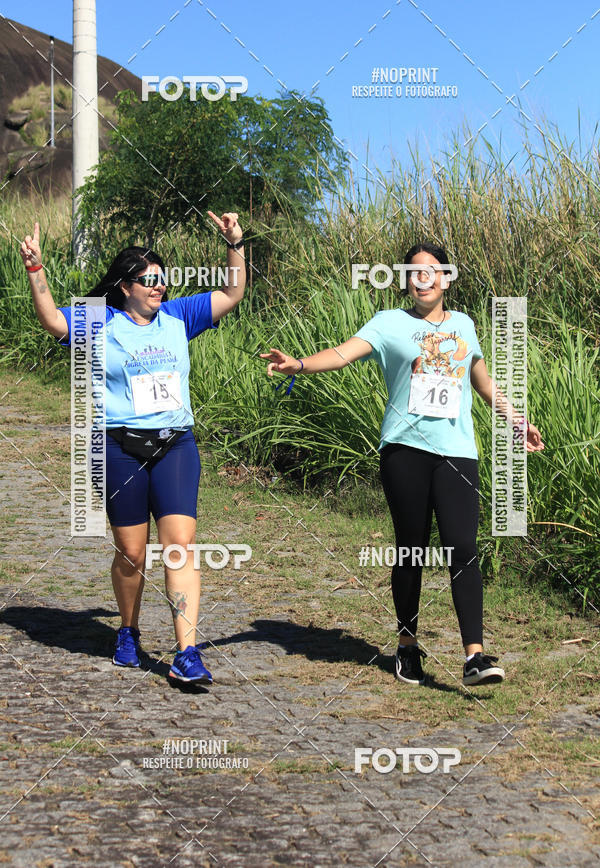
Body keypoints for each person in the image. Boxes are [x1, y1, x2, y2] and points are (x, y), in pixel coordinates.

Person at [261, 242, 544, 686]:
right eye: (414, 272)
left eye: (433, 270)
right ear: (405, 280)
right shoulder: (388, 324)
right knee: (411, 547)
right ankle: (408, 645)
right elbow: (340, 354)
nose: (424, 278)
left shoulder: (466, 325)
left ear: (447, 278)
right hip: (404, 452)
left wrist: (517, 420)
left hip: (457, 452)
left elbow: (483, 383)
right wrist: (297, 364)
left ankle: (475, 655)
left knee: (462, 547)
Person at [20, 212, 246, 684]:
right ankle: (128, 629)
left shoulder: (180, 317)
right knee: (132, 553)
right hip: (119, 447)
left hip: (175, 445)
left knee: (180, 548)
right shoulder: (100, 321)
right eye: (148, 281)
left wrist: (234, 245)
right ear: (125, 286)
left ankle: (187, 652)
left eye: (162, 280)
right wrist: (36, 271)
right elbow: (52, 319)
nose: (158, 288)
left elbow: (232, 293)